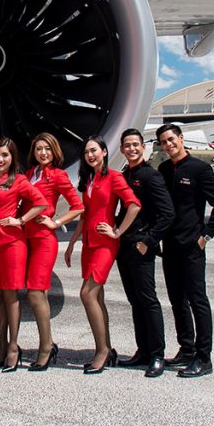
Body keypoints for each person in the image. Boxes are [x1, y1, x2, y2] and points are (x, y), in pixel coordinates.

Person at [156, 123, 214, 379]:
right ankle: (186, 348)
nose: (168, 145)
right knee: (177, 301)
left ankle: (203, 357)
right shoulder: (164, 169)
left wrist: (206, 235)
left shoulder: (200, 169)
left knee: (198, 300)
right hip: (170, 246)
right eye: (163, 142)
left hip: (191, 247)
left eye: (171, 139)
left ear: (181, 139)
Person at [64, 135, 140, 374]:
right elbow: (85, 215)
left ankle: (102, 351)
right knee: (97, 298)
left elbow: (134, 204)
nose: (90, 155)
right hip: (88, 244)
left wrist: (117, 231)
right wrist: (71, 243)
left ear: (105, 152)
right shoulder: (89, 179)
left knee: (87, 294)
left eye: (94, 150)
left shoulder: (114, 177)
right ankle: (106, 347)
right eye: (87, 152)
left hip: (105, 244)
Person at [0, 138, 47, 373]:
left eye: (6, 155)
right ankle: (1, 346)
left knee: (11, 296)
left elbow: (40, 202)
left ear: (13, 158)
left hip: (11, 243)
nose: (1, 159)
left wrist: (20, 220)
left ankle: (13, 348)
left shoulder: (19, 180)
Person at [23, 132, 84, 371]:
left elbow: (77, 206)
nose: (43, 153)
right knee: (41, 294)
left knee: (35, 292)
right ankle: (47, 343)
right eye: (39, 149)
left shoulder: (57, 176)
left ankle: (46, 348)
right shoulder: (29, 174)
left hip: (43, 240)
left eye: (47, 148)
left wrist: (56, 222)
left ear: (54, 151)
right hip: (26, 238)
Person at [116, 128, 175, 378]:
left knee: (148, 300)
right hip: (124, 247)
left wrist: (148, 241)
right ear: (122, 149)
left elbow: (167, 214)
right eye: (127, 145)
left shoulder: (151, 176)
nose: (131, 149)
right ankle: (142, 350)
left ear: (143, 147)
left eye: (135, 145)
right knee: (135, 300)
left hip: (141, 246)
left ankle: (157, 355)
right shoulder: (123, 175)